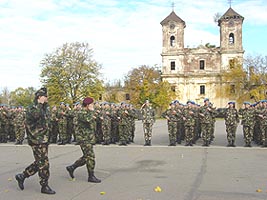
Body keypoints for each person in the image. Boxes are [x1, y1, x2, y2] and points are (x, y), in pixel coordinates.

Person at [15, 87, 56, 194]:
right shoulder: (32, 108)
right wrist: (40, 104)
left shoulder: (45, 108)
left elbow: (47, 121)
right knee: (44, 164)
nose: (47, 98)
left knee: (40, 162)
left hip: (44, 139)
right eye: (45, 96)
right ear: (39, 97)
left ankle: (22, 176)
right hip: (36, 139)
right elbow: (36, 116)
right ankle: (44, 186)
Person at [66, 97, 101, 183]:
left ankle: (72, 167)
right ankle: (91, 176)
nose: (93, 106)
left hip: (89, 137)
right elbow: (88, 119)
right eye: (92, 104)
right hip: (84, 138)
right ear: (88, 105)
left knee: (86, 157)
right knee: (91, 157)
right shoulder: (81, 113)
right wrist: (92, 111)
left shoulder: (88, 112)